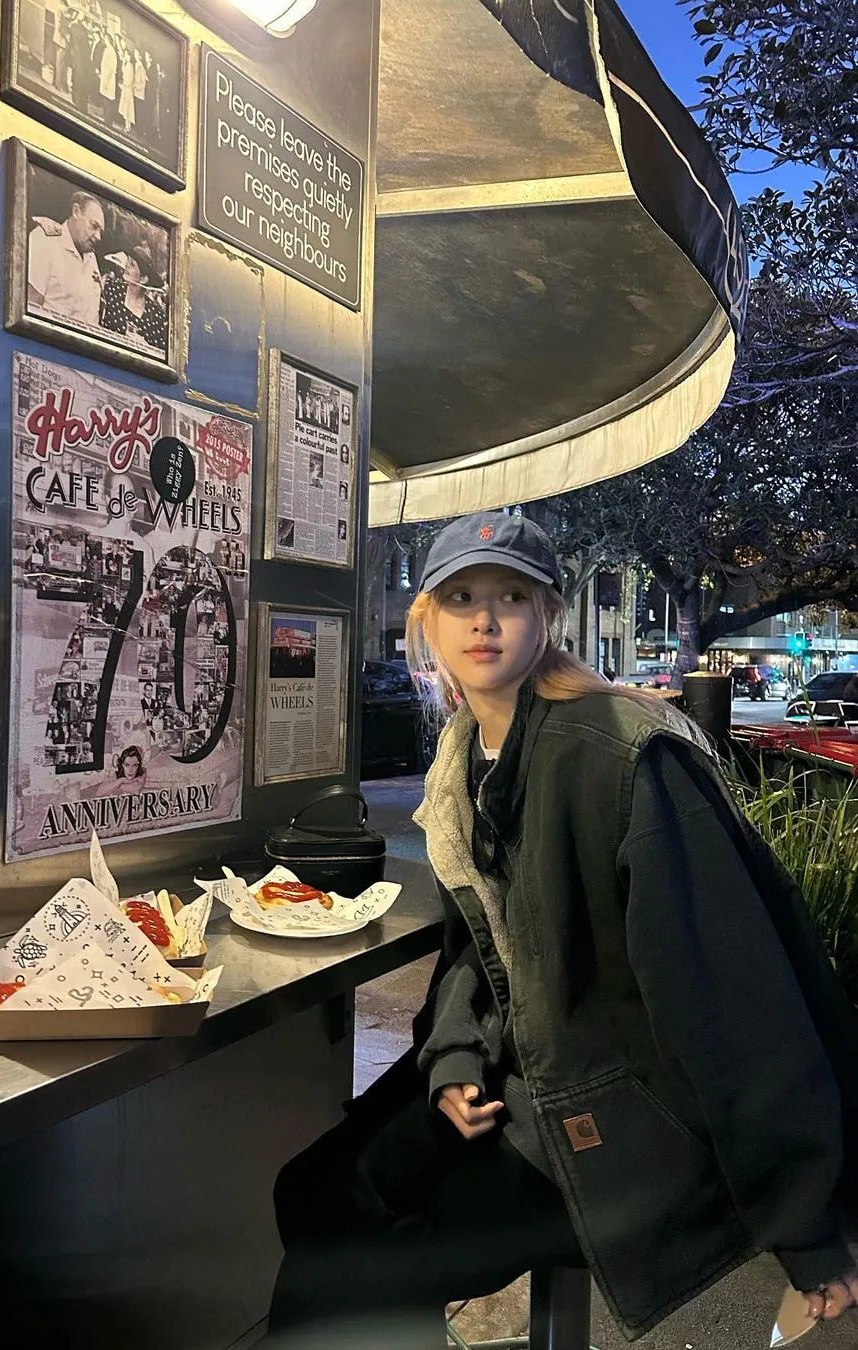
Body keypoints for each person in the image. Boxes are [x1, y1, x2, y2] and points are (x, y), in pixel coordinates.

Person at [266, 511, 858, 1349]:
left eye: (512, 596)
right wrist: (454, 1058)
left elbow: (731, 995)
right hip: (528, 1071)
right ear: (425, 619)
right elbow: (477, 951)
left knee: (352, 1265)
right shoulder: (464, 757)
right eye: (461, 597)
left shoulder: (622, 753)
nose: (484, 619)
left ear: (549, 615)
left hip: (632, 1117)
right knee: (310, 1192)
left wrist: (805, 1221)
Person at [27, 192, 104, 327]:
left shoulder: (90, 257)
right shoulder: (45, 240)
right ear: (76, 212)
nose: (98, 237)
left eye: (100, 231)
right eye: (93, 226)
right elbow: (30, 306)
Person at [99, 246, 167, 355]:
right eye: (128, 261)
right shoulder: (112, 288)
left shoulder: (155, 315)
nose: (126, 265)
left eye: (132, 264)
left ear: (143, 279)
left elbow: (160, 354)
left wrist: (144, 346)